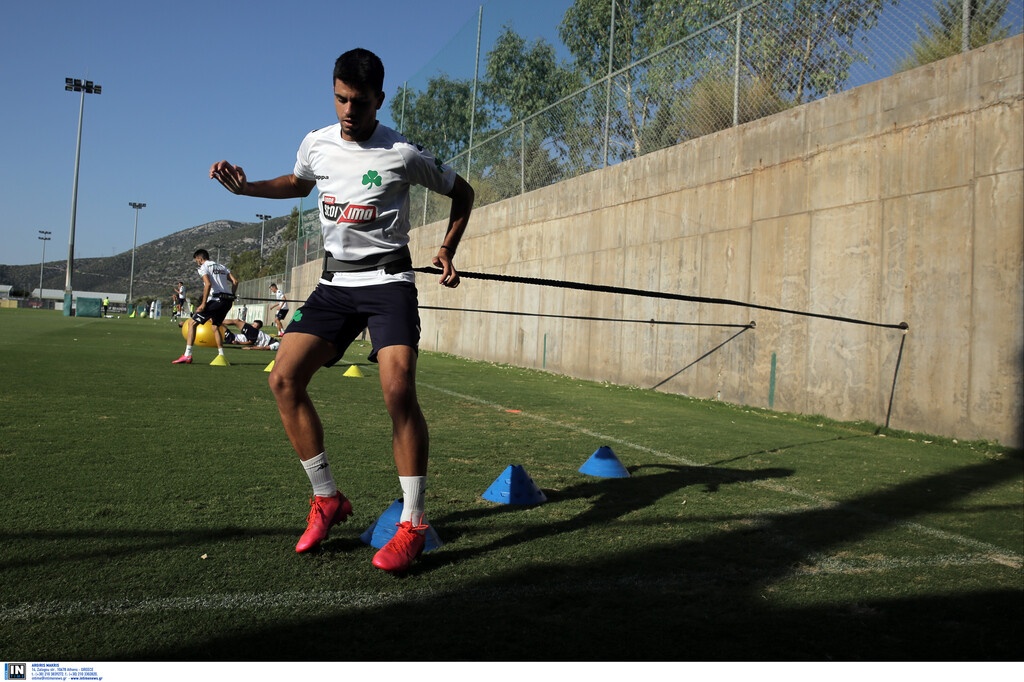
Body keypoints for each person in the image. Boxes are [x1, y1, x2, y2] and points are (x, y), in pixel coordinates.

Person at [210, 47, 473, 573]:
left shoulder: (402, 152)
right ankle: (327, 497)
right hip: (334, 285)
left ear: (380, 98)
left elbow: (462, 192)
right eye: (340, 99)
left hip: (388, 282)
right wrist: (247, 189)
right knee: (283, 379)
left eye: (359, 101)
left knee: (398, 390)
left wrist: (447, 249)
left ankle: (413, 523)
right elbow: (298, 183)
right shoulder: (316, 143)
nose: (349, 110)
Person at [172, 249, 239, 364]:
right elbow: (235, 282)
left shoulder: (204, 267)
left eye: (196, 260)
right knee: (215, 327)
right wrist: (232, 295)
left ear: (200, 258)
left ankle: (187, 355)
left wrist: (203, 304)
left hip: (216, 300)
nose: (196, 262)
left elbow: (208, 284)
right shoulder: (222, 266)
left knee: (192, 323)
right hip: (227, 302)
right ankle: (221, 355)